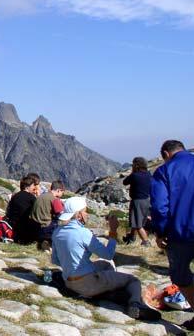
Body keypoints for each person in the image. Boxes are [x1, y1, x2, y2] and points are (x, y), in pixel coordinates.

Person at [52, 196, 161, 321]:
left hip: (69, 282)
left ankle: (108, 289)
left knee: (106, 264)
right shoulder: (83, 233)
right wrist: (113, 231)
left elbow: (56, 260)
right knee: (133, 280)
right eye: (85, 211)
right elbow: (108, 254)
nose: (87, 214)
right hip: (88, 282)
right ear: (78, 215)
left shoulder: (57, 232)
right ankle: (135, 304)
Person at [151, 140, 194, 330]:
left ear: (166, 154)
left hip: (180, 232)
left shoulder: (164, 171)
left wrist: (161, 232)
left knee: (180, 275)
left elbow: (160, 207)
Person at [122, 156, 152, 246]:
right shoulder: (148, 174)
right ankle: (131, 237)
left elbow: (125, 182)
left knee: (138, 224)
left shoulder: (135, 175)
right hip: (147, 200)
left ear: (136, 165)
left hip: (137, 201)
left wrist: (132, 172)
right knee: (137, 220)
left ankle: (146, 242)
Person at [30, 180, 65, 249]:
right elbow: (61, 214)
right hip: (45, 227)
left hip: (33, 227)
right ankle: (49, 242)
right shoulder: (55, 199)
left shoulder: (42, 196)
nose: (62, 195)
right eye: (62, 192)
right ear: (58, 190)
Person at [5, 175, 39, 244]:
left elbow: (9, 211)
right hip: (26, 227)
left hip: (14, 227)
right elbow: (37, 210)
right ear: (27, 187)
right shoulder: (31, 198)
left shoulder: (15, 196)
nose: (34, 188)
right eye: (32, 186)